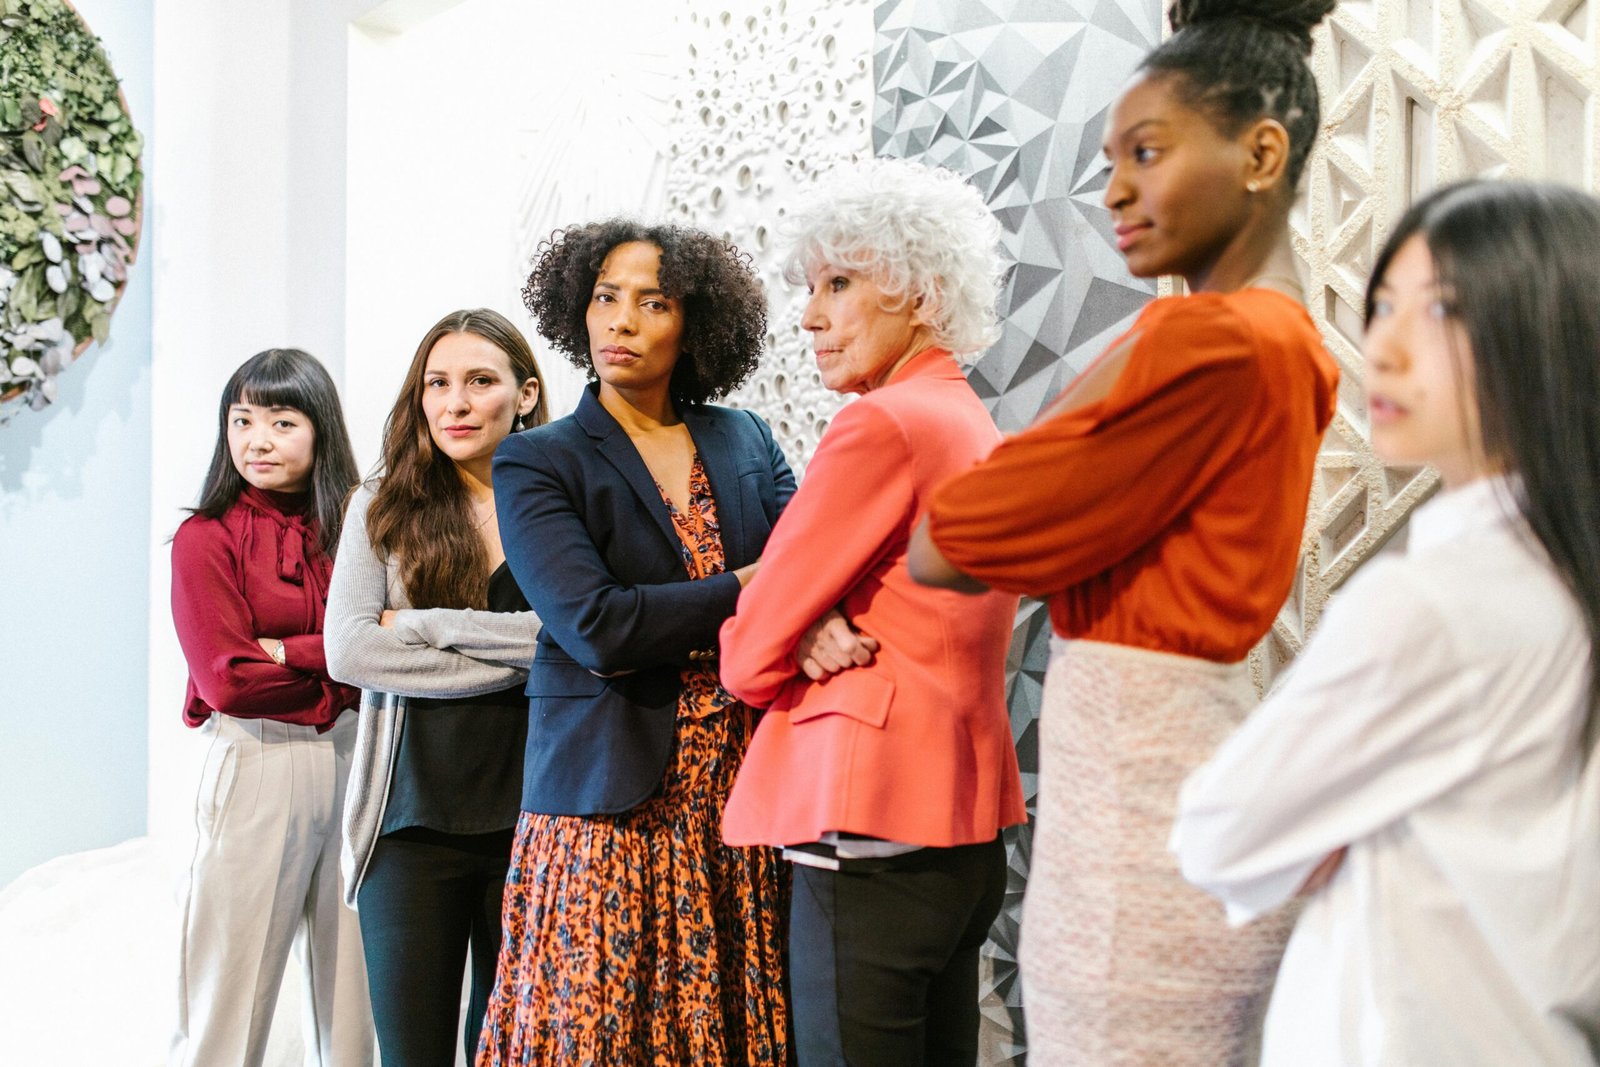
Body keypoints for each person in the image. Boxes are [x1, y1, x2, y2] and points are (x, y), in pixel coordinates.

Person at [908, 0, 1341, 1059]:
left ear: (1261, 151)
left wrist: (1148, 336)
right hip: (1176, 759)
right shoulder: (1284, 337)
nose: (1113, 190)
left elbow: (949, 538)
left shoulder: (1212, 340)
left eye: (1146, 152)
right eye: (1109, 158)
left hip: (1136, 798)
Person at [1170, 180, 1600, 1065]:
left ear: (1547, 329)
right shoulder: (1565, 572)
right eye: (1383, 305)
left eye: (1441, 310)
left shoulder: (1431, 602)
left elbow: (1219, 831)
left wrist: (1338, 815)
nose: (1386, 348)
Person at [716, 157, 1027, 1066]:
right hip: (960, 830)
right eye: (811, 287)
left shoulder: (881, 424)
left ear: (922, 292)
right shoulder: (968, 420)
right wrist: (802, 621)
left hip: (868, 822)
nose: (811, 315)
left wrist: (784, 627)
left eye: (840, 283)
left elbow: (746, 654)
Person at [476, 220, 795, 1066]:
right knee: (599, 1033)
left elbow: (815, 566)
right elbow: (597, 626)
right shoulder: (536, 460)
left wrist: (775, 588)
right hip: (605, 805)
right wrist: (746, 588)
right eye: (605, 297)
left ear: (694, 325)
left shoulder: (745, 438)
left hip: (736, 796)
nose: (620, 320)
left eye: (651, 302)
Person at [324, 308, 548, 1065]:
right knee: (410, 1053)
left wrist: (423, 625)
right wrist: (526, 658)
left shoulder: (559, 506)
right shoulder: (381, 504)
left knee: (506, 1051)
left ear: (524, 394)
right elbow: (350, 649)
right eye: (437, 383)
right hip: (408, 823)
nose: (454, 402)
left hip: (533, 819)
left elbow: (577, 638)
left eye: (480, 381)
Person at [169, 348, 371, 1067]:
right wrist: (342, 667)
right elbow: (227, 678)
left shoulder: (355, 530)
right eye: (242, 419)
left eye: (282, 422)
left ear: (319, 433)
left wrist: (294, 651)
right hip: (257, 760)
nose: (256, 439)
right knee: (233, 987)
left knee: (355, 998)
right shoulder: (206, 538)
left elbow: (384, 641)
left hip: (356, 759)